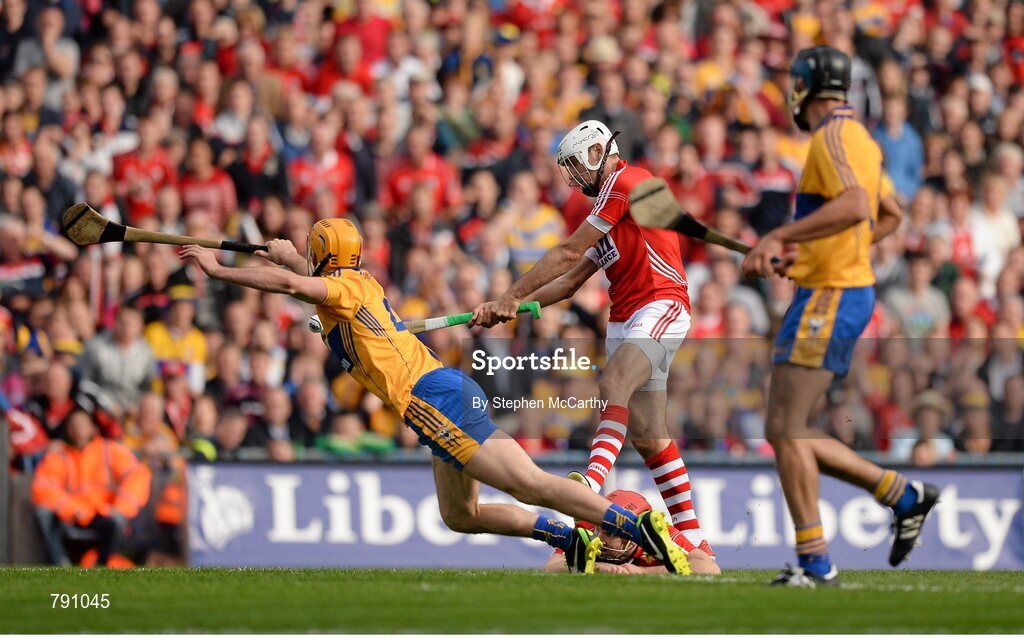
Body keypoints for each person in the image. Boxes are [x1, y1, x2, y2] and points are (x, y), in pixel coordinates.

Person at [179, 219, 690, 575]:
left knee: (531, 485)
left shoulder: (342, 289)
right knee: (460, 515)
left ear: (320, 259)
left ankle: (637, 527)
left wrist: (220, 269)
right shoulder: (352, 286)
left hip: (431, 399)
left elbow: (297, 287)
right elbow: (306, 282)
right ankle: (568, 538)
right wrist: (292, 258)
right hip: (440, 393)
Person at [740, 46, 939, 587]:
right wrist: (813, 254)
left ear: (802, 86)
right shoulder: (859, 138)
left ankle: (816, 563)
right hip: (831, 286)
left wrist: (782, 235)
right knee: (786, 428)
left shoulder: (831, 137)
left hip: (831, 295)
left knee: (784, 427)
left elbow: (857, 207)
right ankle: (902, 496)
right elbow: (889, 214)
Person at [471, 119, 714, 556]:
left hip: (660, 306)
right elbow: (566, 282)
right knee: (649, 436)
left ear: (594, 154)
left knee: (613, 385)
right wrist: (503, 309)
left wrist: (512, 291)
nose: (571, 178)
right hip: (624, 319)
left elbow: (564, 252)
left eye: (573, 166)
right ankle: (694, 538)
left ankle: (589, 485)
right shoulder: (609, 210)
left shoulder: (628, 182)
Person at [31, 409, 152, 566]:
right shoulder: (60, 456)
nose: (78, 431)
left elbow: (138, 475)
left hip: (103, 512)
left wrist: (121, 508)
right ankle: (61, 565)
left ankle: (101, 565)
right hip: (72, 516)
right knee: (43, 513)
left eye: (82, 425)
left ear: (92, 428)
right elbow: (43, 487)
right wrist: (71, 509)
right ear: (68, 430)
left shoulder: (109, 450)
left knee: (116, 522)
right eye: (74, 426)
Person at [543, 490, 720, 575]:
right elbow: (552, 565)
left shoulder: (659, 535)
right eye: (601, 529)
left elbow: (709, 568)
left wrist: (643, 572)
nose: (602, 539)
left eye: (612, 533)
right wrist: (596, 567)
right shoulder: (587, 529)